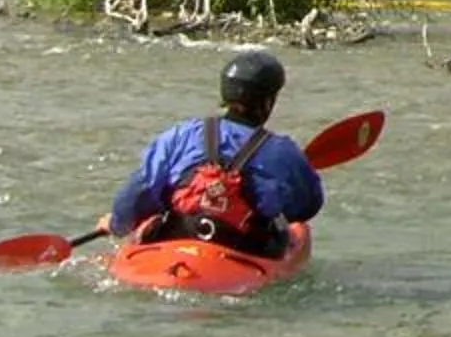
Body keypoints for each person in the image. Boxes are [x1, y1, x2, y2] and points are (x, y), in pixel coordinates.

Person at [108, 49, 326, 258]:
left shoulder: (180, 134)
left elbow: (139, 191)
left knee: (153, 218)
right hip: (243, 253)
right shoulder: (283, 151)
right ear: (268, 102)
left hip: (176, 241)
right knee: (298, 231)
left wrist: (116, 225)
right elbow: (306, 207)